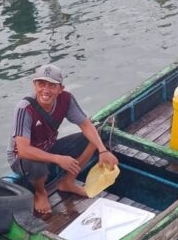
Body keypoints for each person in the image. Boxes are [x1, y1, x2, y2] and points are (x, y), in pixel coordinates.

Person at [6, 63, 118, 215]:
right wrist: (58, 159)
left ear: (60, 89)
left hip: (48, 147)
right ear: (34, 85)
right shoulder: (24, 108)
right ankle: (40, 192)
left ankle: (68, 182)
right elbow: (24, 150)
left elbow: (85, 124)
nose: (46, 90)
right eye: (41, 84)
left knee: (93, 137)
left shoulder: (66, 99)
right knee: (37, 166)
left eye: (52, 86)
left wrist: (102, 150)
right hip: (21, 158)